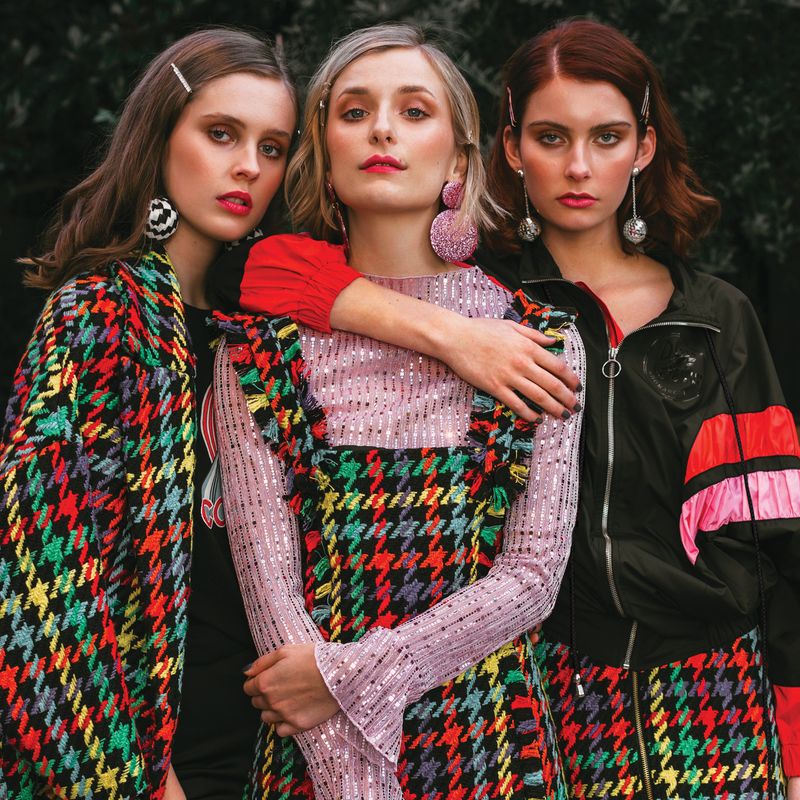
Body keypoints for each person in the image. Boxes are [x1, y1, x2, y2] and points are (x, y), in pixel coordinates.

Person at [211, 18, 800, 800]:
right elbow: (255, 274)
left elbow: (775, 540)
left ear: (643, 147)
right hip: (553, 684)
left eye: (607, 137)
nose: (579, 166)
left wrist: (795, 739)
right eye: (551, 138)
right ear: (511, 149)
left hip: (706, 682)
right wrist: (450, 334)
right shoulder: (491, 288)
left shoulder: (712, 315)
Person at [210, 23, 585, 800]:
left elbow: (531, 578)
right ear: (325, 154)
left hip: (492, 751)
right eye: (355, 112)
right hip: (312, 762)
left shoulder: (542, 343)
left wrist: (349, 678)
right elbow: (273, 606)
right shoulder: (255, 352)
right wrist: (349, 778)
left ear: (460, 159)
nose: (382, 129)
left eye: (414, 111)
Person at [0, 28, 297, 799]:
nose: (248, 166)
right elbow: (41, 579)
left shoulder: (263, 337)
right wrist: (130, 778)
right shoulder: (100, 315)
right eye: (222, 133)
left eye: (272, 147)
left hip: (271, 755)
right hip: (143, 758)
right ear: (160, 136)